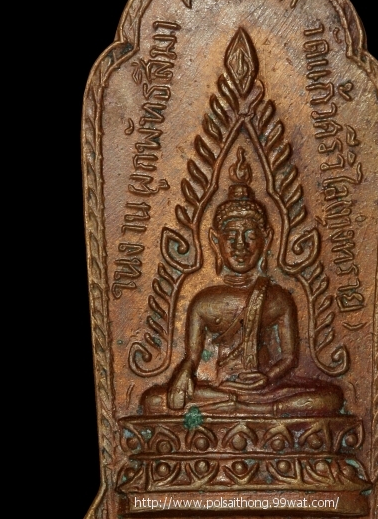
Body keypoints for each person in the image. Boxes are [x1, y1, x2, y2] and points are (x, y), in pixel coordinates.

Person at [141, 151, 343, 417]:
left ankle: (252, 407)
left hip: (265, 389)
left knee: (331, 398)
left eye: (250, 235)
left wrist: (267, 377)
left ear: (266, 239)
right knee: (153, 400)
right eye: (231, 236)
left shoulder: (278, 297)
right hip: (219, 388)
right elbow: (191, 358)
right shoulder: (204, 301)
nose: (240, 246)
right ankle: (245, 406)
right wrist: (183, 375)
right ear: (215, 241)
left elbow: (289, 358)